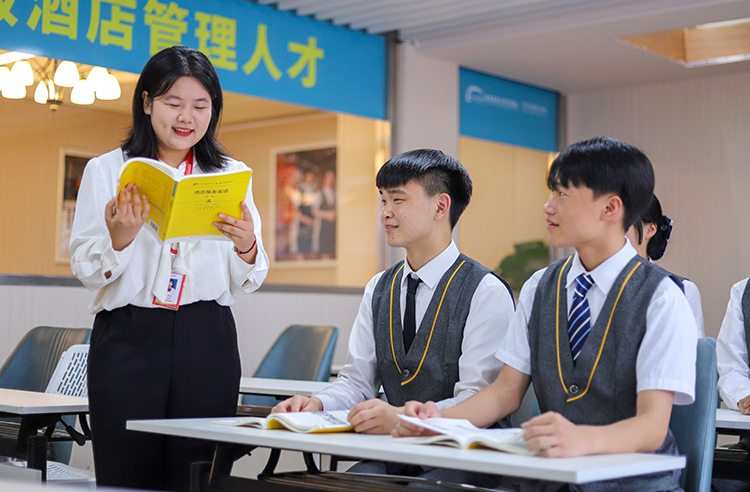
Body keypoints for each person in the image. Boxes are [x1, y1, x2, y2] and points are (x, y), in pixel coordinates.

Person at [396, 137, 697, 491]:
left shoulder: (662, 297)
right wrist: (437, 418)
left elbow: (652, 426)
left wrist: (582, 439)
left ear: (610, 208)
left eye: (562, 195)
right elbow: (505, 393)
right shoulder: (540, 286)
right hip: (554, 478)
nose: (548, 206)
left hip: (633, 482)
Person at [69, 46, 268, 492]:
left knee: (198, 470)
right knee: (126, 471)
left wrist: (247, 246)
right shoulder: (107, 170)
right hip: (129, 336)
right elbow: (85, 268)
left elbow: (250, 279)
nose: (186, 117)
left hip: (208, 337)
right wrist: (120, 238)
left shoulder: (232, 174)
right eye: (173, 103)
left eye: (200, 105)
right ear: (146, 103)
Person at [274, 149, 515, 481]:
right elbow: (357, 381)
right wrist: (317, 405)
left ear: (441, 206)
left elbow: (477, 397)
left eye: (398, 200)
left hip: (467, 456)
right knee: (343, 485)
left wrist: (405, 419)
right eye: (383, 200)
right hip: (397, 451)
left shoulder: (485, 291)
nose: (385, 213)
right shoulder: (379, 287)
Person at [625, 194, 705, 337]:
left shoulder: (681, 289)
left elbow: (693, 349)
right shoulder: (588, 284)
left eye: (623, 224)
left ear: (650, 230)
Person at [312, 169, 336, 258]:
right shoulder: (319, 193)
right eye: (328, 177)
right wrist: (327, 215)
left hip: (333, 228)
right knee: (324, 252)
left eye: (332, 178)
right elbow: (315, 211)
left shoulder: (335, 192)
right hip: (323, 227)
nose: (330, 180)